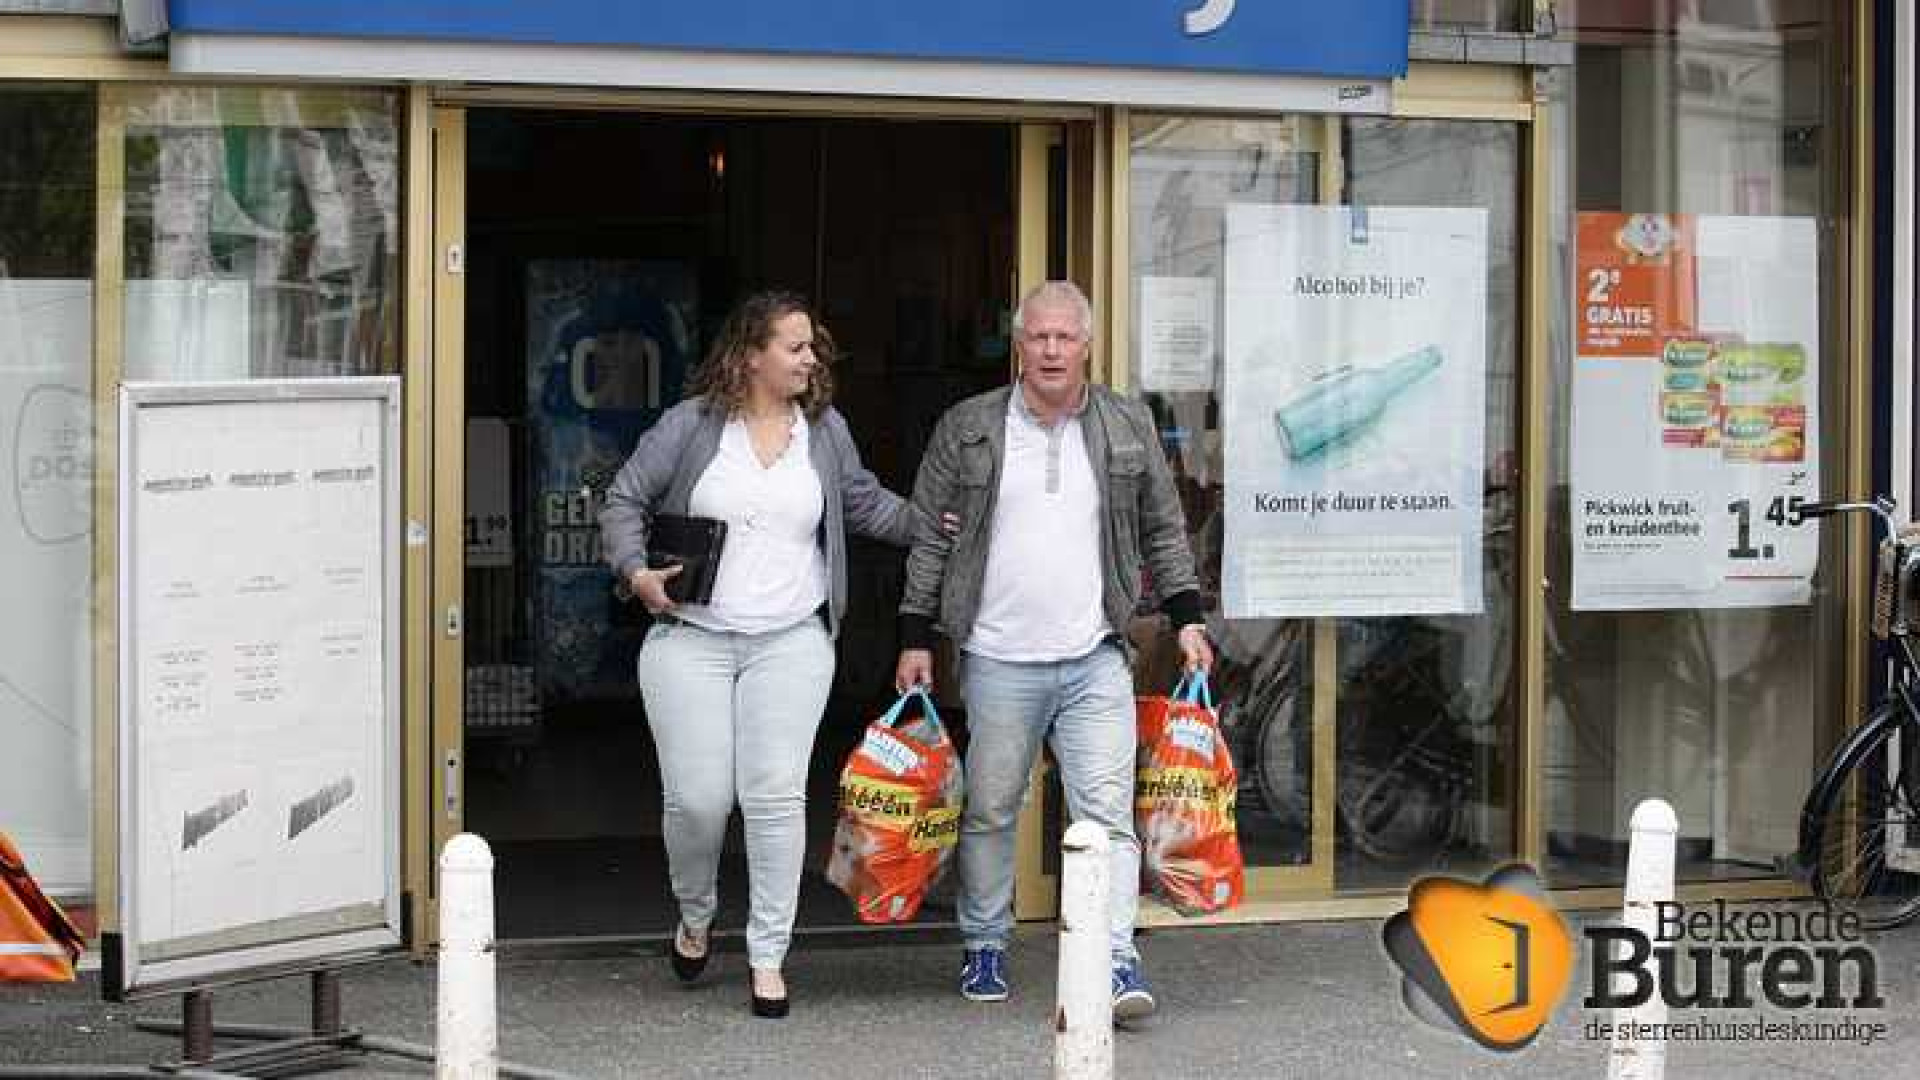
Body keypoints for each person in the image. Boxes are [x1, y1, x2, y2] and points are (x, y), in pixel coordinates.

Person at [894, 280, 1213, 1023]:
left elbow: (1164, 531)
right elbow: (930, 539)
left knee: (1106, 813)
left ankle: (1113, 955)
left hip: (1094, 653)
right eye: (1037, 336)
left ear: (1087, 345)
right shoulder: (969, 426)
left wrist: (1187, 618)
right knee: (993, 808)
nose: (1050, 350)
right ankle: (984, 942)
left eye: (1064, 337)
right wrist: (915, 635)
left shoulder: (1125, 424)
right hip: (1000, 656)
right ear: (1018, 343)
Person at [601, 290, 925, 1019]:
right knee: (700, 801)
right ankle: (696, 913)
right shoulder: (691, 426)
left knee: (776, 798)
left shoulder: (826, 431)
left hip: (791, 639)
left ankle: (768, 954)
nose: (811, 358)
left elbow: (865, 503)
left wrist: (934, 524)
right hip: (691, 638)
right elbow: (624, 500)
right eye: (796, 346)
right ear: (751, 354)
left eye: (812, 347)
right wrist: (637, 574)